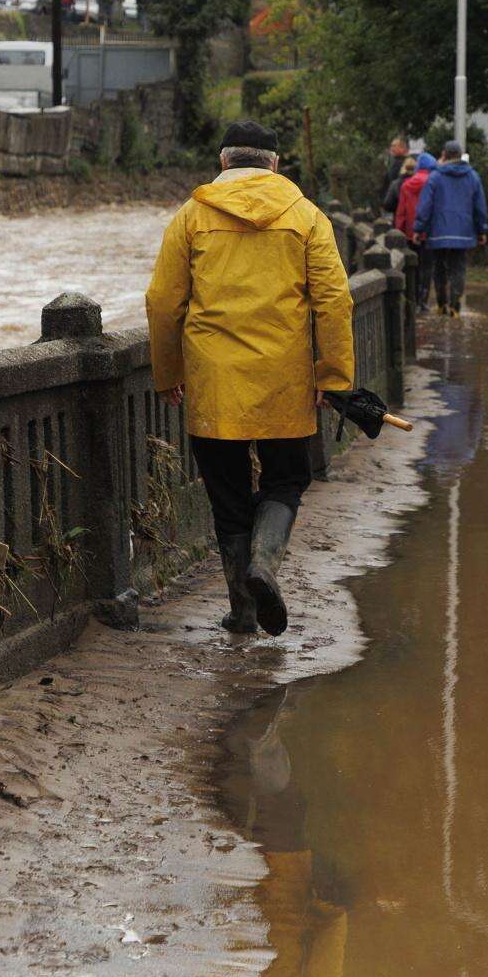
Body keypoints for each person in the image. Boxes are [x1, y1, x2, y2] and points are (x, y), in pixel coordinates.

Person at [144, 120, 355, 636]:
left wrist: (168, 372)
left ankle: (242, 611)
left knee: (228, 495)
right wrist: (333, 378)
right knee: (287, 480)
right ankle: (265, 565)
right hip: (284, 380)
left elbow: (162, 303)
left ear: (222, 162)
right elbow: (334, 301)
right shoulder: (307, 217)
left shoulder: (191, 217)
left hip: (214, 383)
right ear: (275, 164)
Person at [413, 139, 488, 318]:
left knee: (439, 267)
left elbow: (425, 205)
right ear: (460, 155)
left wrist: (418, 228)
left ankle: (441, 304)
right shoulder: (473, 177)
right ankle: (455, 307)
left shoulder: (435, 177)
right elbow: (480, 205)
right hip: (463, 232)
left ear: (444, 155)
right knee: (458, 268)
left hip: (438, 233)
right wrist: (482, 230)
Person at [395, 149, 439, 310]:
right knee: (427, 267)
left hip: (409, 233)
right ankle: (423, 300)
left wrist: (399, 232)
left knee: (413, 266)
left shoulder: (407, 185)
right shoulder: (435, 183)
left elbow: (401, 212)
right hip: (429, 232)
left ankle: (411, 299)